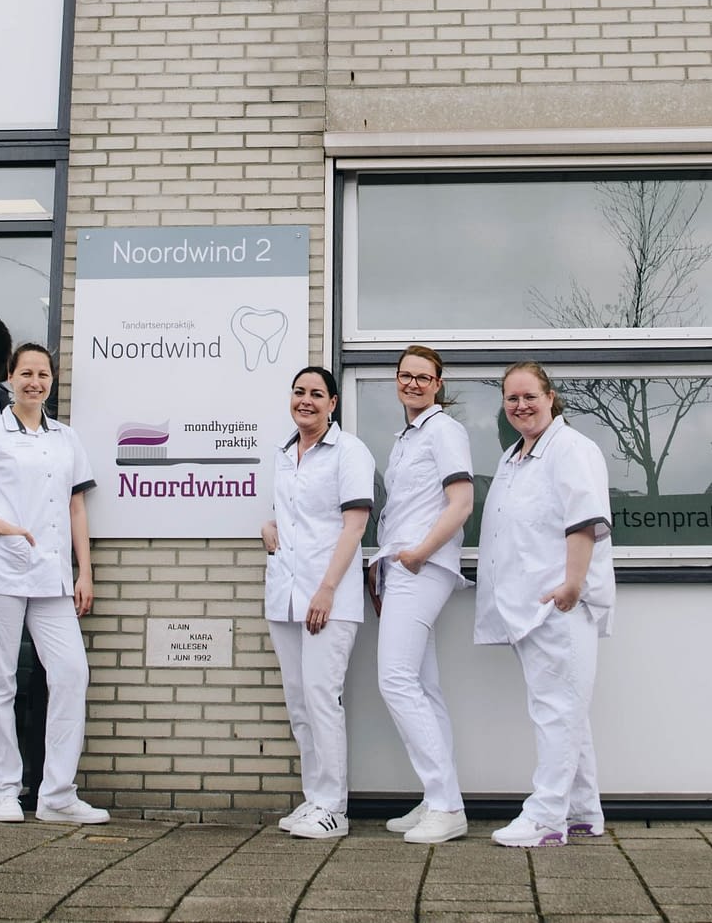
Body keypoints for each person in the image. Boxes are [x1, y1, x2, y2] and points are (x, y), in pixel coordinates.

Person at [0, 342, 108, 824]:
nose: (35, 382)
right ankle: (2, 790)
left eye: (43, 375)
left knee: (71, 674)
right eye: (26, 373)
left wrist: (84, 571)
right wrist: (5, 529)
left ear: (51, 381)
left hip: (52, 577)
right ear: (10, 379)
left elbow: (76, 507)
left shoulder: (65, 437)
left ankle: (57, 795)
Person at [474, 362, 615, 848]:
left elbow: (584, 520)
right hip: (529, 607)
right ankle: (582, 811)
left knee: (556, 712)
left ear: (550, 397)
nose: (521, 406)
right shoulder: (516, 456)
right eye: (511, 399)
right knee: (567, 711)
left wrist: (572, 585)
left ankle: (546, 816)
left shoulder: (570, 448)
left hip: (559, 604)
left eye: (529, 396)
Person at [261, 366, 374, 840]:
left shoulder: (349, 451)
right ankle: (314, 799)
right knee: (299, 702)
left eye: (315, 394)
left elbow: (355, 525)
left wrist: (327, 588)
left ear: (332, 403)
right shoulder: (284, 453)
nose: (305, 400)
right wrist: (267, 527)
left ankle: (333, 807)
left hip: (328, 596)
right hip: (285, 594)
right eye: (298, 392)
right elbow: (292, 516)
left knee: (322, 698)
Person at [368, 345, 473, 844]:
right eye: (405, 375)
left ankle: (448, 805)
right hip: (402, 567)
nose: (412, 383)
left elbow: (462, 502)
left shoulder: (444, 430)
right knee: (423, 687)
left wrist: (418, 553)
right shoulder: (406, 438)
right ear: (397, 380)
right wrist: (386, 564)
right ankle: (437, 799)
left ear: (437, 384)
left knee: (395, 679)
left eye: (423, 377)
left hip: (422, 566)